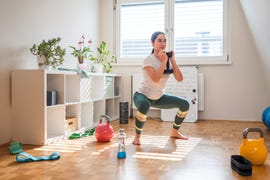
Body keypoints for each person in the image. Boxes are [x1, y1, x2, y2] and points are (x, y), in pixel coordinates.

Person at [132, 31, 190, 145]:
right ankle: (137, 137)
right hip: (142, 96)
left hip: (159, 97)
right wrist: (164, 61)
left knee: (185, 104)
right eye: (159, 40)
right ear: (152, 43)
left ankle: (174, 132)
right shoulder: (148, 60)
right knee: (145, 104)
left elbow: (179, 78)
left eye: (164, 41)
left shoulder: (167, 59)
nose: (162, 43)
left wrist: (172, 59)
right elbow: (155, 79)